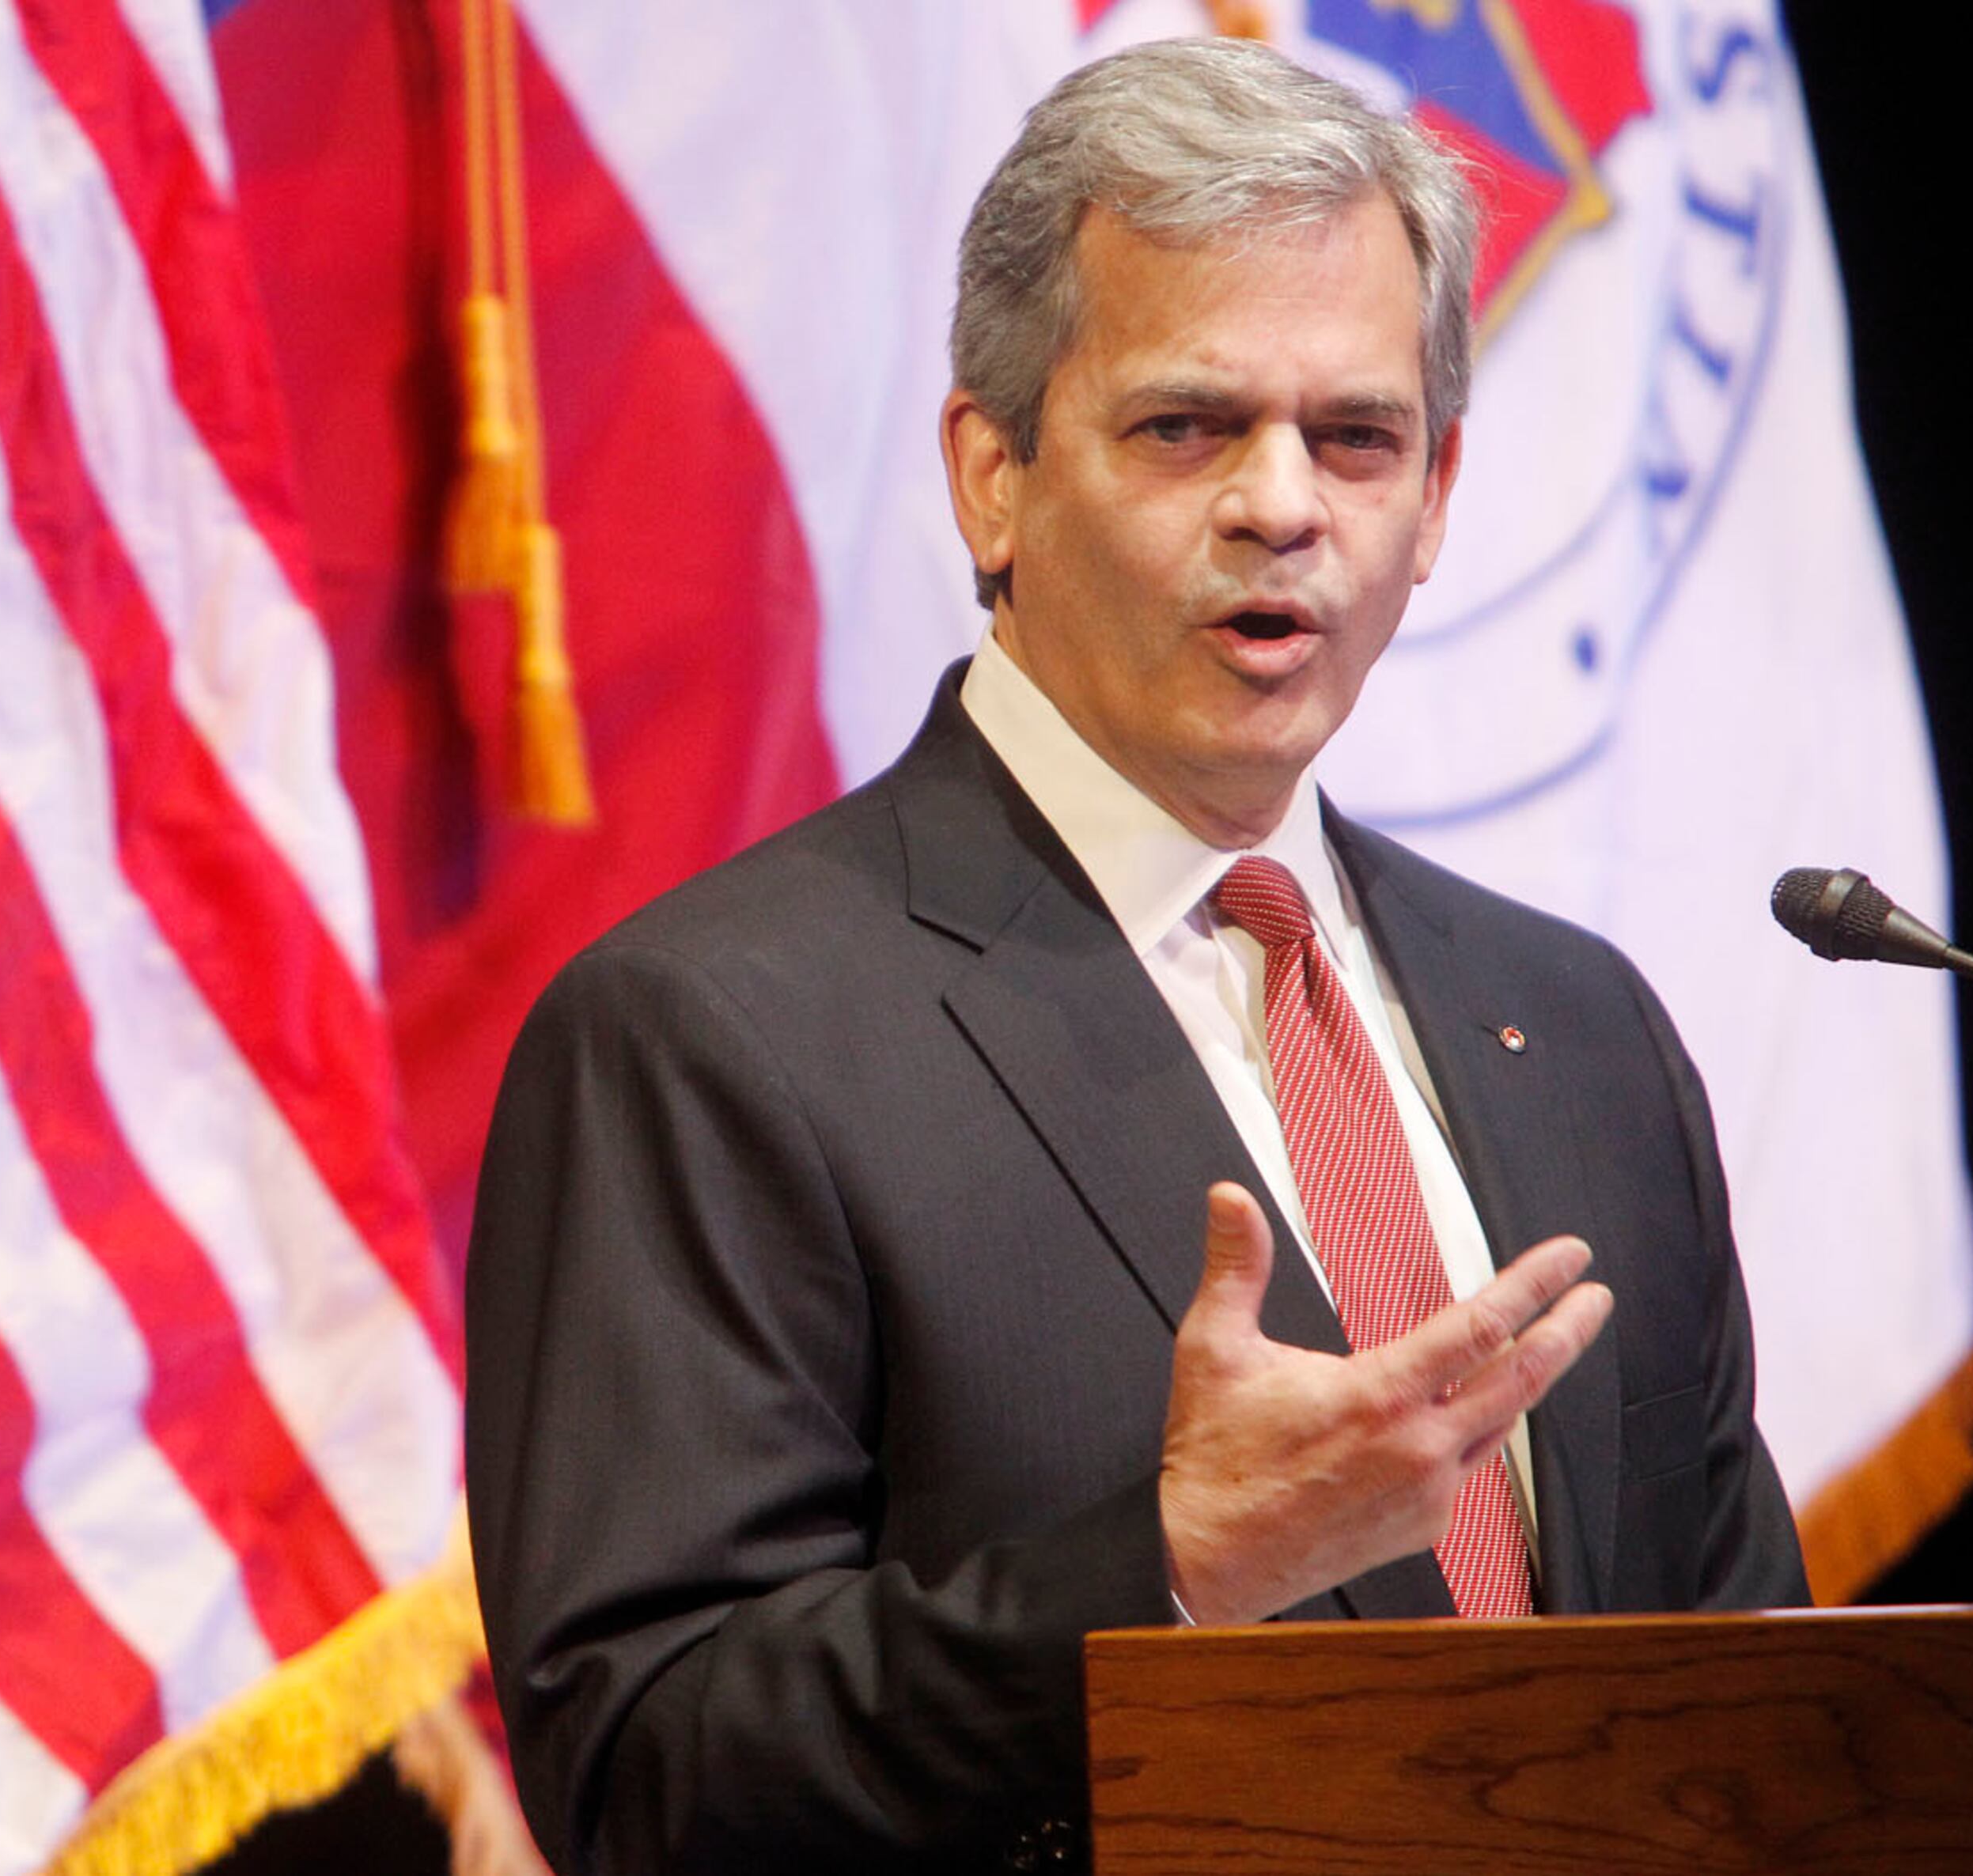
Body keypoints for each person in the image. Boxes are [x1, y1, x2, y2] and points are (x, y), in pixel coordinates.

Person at [461, 36, 1810, 1876]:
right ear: (992, 475)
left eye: (1358, 437)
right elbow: (648, 1766)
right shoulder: (712, 1035)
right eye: (1188, 426)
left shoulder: (1577, 1024)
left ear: (1438, 499)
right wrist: (1167, 1566)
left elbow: (1760, 1697)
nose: (1283, 505)